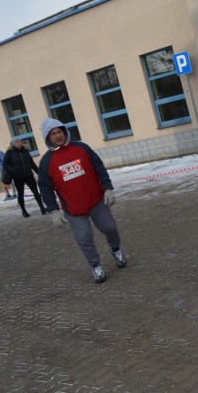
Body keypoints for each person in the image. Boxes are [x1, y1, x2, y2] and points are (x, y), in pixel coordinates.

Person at [37, 118, 127, 283]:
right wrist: (54, 211)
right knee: (84, 238)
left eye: (59, 131)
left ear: (64, 132)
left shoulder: (81, 148)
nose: (58, 135)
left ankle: (116, 250)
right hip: (74, 209)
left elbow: (99, 167)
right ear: (47, 138)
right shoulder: (46, 162)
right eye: (53, 133)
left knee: (110, 227)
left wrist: (108, 188)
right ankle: (95, 266)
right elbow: (45, 189)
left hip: (97, 201)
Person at [3, 137, 47, 218]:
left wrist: (39, 173)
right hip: (18, 177)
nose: (19, 143)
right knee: (21, 194)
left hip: (28, 175)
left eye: (20, 141)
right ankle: (24, 211)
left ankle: (42, 208)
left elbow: (32, 163)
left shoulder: (25, 151)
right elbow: (5, 164)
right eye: (17, 142)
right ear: (13, 144)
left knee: (36, 192)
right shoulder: (9, 153)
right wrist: (13, 170)